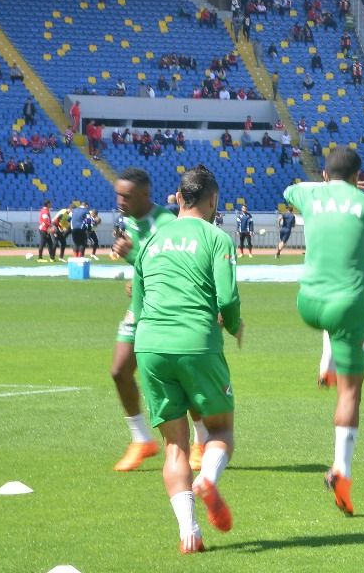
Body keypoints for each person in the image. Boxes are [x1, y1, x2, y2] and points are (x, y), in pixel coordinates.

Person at [131, 165, 244, 554]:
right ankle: (208, 478)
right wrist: (235, 326)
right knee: (221, 431)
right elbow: (227, 298)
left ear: (179, 199)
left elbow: (137, 306)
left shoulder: (151, 240)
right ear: (213, 200)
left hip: (149, 346)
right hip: (195, 342)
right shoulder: (216, 237)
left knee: (174, 447)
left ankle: (189, 533)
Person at [283, 148, 364, 515]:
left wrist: (322, 189)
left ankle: (327, 359)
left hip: (308, 302)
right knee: (350, 393)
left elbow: (289, 190)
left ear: (324, 174)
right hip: (347, 306)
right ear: (357, 177)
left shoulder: (310, 195)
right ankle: (341, 471)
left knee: (332, 325)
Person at [110, 168, 187, 472]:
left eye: (127, 196)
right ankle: (141, 440)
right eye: (118, 195)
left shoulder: (166, 223)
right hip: (140, 306)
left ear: (145, 194)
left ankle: (200, 441)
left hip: (167, 310)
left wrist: (133, 256)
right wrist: (135, 278)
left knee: (183, 375)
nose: (120, 201)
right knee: (119, 371)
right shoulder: (129, 220)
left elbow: (173, 265)